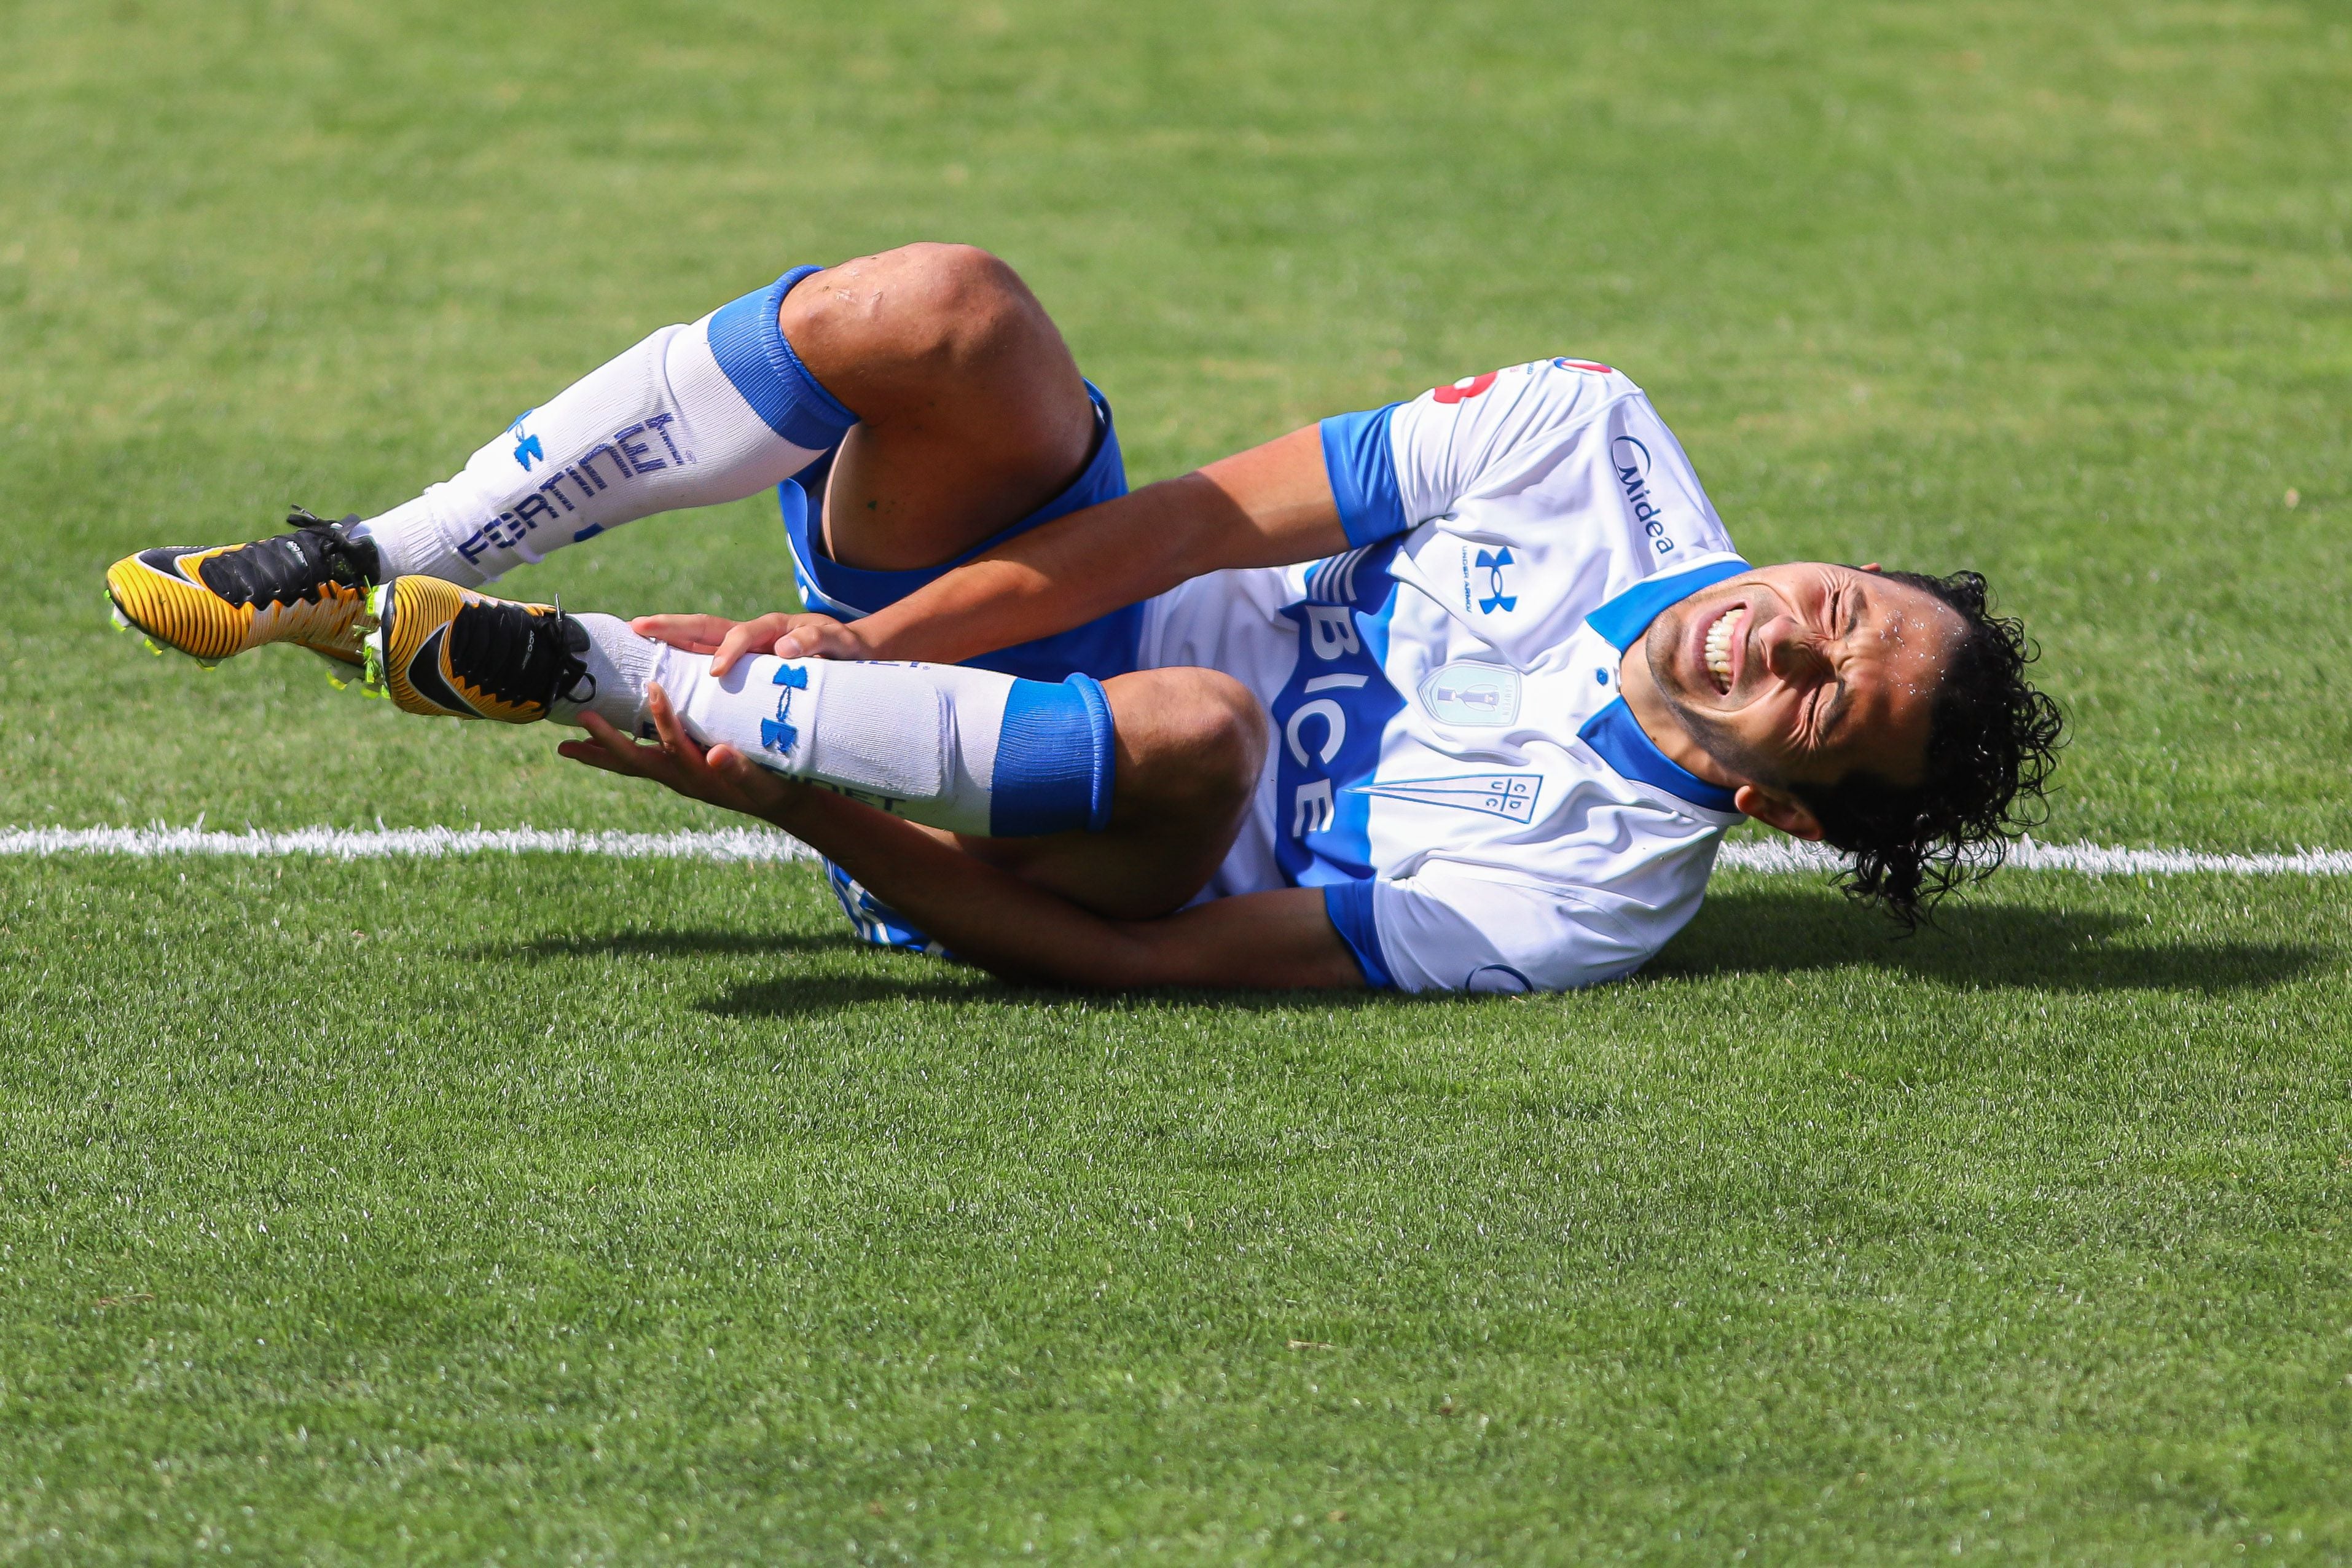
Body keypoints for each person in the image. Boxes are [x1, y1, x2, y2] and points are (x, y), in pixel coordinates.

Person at [105, 244, 2063, 992]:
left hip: (1031, 826)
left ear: (1789, 821)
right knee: (943, 309)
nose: (1775, 641)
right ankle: (375, 557)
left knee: (1202, 746)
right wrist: (888, 641)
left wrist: (810, 796)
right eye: (1828, 607)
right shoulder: (1586, 435)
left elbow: (1146, 966)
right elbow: (1180, 522)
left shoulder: (1582, 904)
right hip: (979, 644)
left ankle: (608, 671)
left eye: (1821, 703)